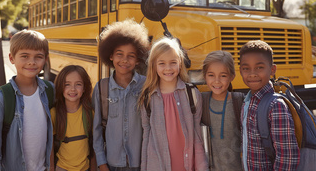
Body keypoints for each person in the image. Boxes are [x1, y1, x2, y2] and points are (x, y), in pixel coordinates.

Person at [0, 30, 54, 171]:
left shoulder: (49, 90)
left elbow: (50, 132)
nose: (31, 62)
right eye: (24, 56)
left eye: (38, 57)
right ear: (11, 58)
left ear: (45, 59)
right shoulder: (2, 98)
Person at [139, 37, 208, 171]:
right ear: (153, 65)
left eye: (173, 62)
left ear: (180, 63)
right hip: (158, 165)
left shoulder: (192, 94)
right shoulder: (148, 97)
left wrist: (202, 167)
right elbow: (146, 136)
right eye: (162, 63)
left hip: (187, 164)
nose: (168, 68)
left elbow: (197, 134)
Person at [92, 19, 150, 171]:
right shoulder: (102, 88)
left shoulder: (146, 86)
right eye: (119, 54)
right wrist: (101, 162)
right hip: (111, 162)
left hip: (140, 162)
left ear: (138, 60)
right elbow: (97, 129)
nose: (124, 60)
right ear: (110, 56)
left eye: (131, 56)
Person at [240, 40, 299, 170]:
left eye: (259, 67)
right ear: (240, 71)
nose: (252, 73)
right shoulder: (247, 101)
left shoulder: (276, 106)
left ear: (272, 69)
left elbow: (288, 157)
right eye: (246, 68)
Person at [200, 50, 244, 171]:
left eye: (223, 75)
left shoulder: (240, 102)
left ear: (232, 76)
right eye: (211, 75)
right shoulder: (200, 101)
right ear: (204, 76)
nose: (217, 81)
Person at [51, 65, 95, 171]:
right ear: (61, 87)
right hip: (62, 167)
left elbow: (94, 143)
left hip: (85, 167)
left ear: (84, 88)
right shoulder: (54, 113)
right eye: (67, 84)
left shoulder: (90, 113)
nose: (73, 89)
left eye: (78, 84)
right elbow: (50, 146)